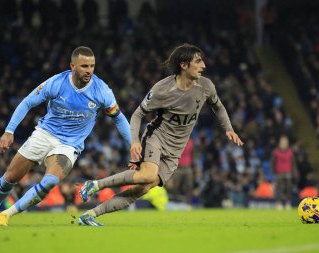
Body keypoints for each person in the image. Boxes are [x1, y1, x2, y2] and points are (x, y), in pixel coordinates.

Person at [78, 43, 243, 226]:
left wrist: (228, 128)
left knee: (143, 188)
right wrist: (134, 142)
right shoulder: (162, 89)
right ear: (183, 65)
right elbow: (138, 114)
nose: (203, 65)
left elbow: (218, 106)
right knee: (147, 175)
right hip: (157, 137)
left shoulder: (206, 86)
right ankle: (96, 185)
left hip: (175, 150)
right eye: (198, 61)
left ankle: (91, 214)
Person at [0, 46, 131, 226]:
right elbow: (27, 102)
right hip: (45, 134)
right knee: (10, 177)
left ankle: (7, 214)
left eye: (92, 66)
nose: (89, 71)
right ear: (72, 66)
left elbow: (119, 119)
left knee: (50, 181)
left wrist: (132, 144)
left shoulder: (102, 91)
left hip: (70, 144)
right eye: (84, 66)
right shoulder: (56, 83)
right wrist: (9, 130)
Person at [270, 135, 297, 210]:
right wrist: (272, 173)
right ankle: (279, 203)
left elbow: (293, 163)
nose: (284, 144)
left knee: (289, 188)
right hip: (279, 173)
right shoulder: (275, 152)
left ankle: (288, 203)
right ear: (279, 143)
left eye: (285, 142)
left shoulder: (290, 152)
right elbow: (272, 163)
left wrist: (295, 173)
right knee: (279, 188)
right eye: (282, 142)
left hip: (288, 173)